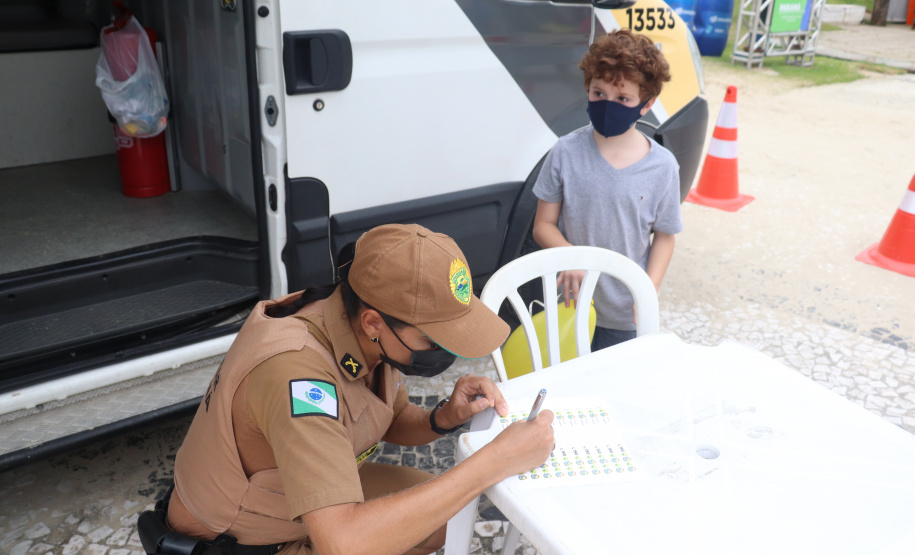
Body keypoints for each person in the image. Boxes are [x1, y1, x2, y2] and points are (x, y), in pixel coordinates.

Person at [161, 223, 555, 555]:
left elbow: (391, 417)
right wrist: (492, 463)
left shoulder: (355, 324)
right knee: (407, 524)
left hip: (293, 501)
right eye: (433, 339)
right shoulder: (298, 377)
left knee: (442, 523)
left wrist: (443, 416)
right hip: (238, 539)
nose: (442, 350)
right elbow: (343, 542)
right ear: (373, 323)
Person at [531, 29, 683, 351]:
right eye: (598, 93)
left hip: (626, 314)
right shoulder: (565, 152)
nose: (608, 105)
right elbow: (543, 225)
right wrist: (571, 257)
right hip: (572, 307)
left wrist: (648, 289)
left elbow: (665, 236)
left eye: (623, 99)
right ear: (587, 88)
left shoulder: (663, 167)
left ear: (646, 104)